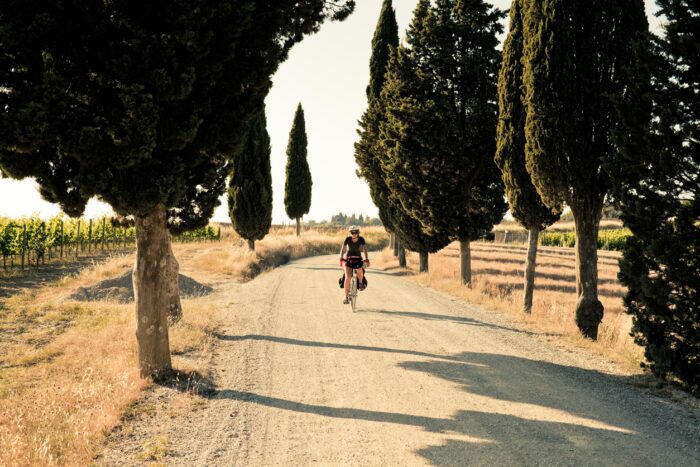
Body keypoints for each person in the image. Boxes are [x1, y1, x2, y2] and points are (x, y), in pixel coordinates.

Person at [339, 225, 370, 304]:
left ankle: (360, 283)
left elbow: (365, 249)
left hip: (358, 258)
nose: (354, 234)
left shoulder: (361, 239)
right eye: (352, 232)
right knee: (348, 277)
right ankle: (346, 297)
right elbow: (343, 248)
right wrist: (341, 257)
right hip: (348, 258)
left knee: (359, 269)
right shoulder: (347, 239)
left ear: (358, 232)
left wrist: (366, 259)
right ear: (350, 232)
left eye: (356, 232)